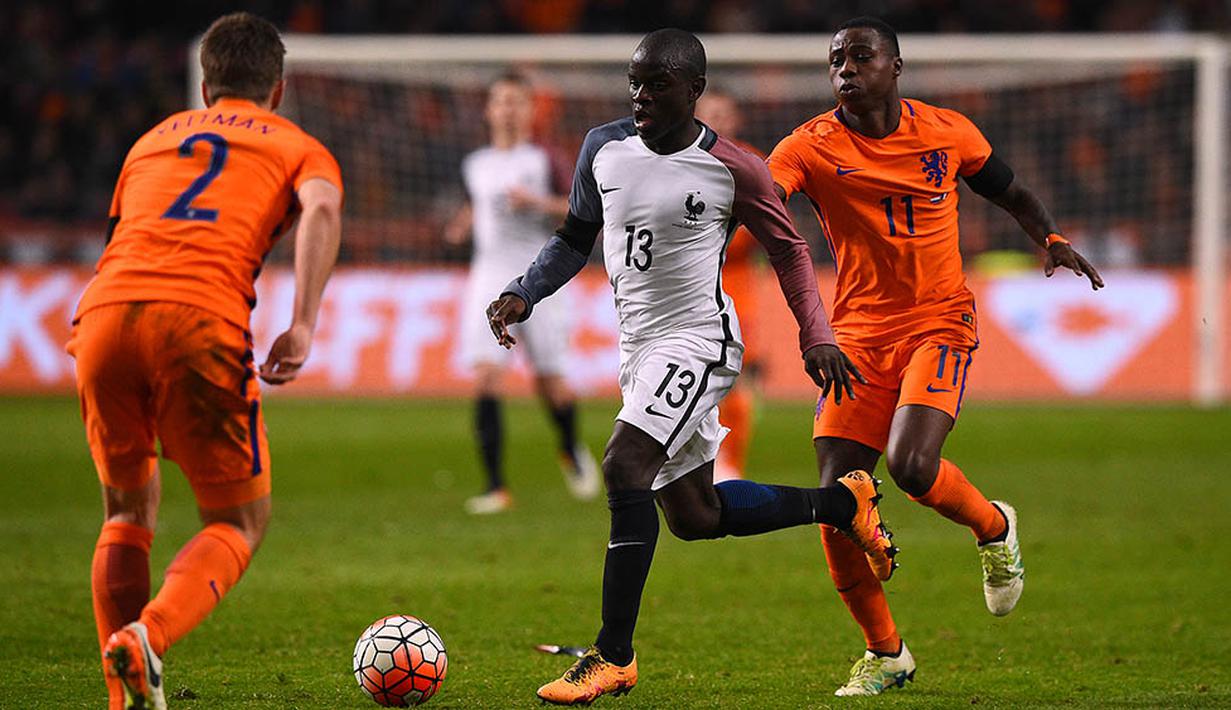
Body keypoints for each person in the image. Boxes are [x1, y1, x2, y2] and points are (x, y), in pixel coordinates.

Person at [486, 29, 896, 706]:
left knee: (623, 465)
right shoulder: (602, 147)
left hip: (698, 340)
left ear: (694, 90)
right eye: (634, 83)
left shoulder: (733, 166)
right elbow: (572, 240)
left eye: (657, 84)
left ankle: (612, 656)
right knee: (694, 515)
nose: (641, 97)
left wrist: (815, 333)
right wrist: (522, 290)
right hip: (638, 347)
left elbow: (790, 250)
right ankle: (841, 502)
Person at [766, 16, 1104, 696]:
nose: (845, 70)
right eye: (835, 61)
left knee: (911, 466)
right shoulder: (808, 145)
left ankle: (993, 525)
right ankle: (886, 654)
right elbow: (767, 196)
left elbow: (1008, 190)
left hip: (937, 322)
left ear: (895, 67)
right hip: (856, 335)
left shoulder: (947, 132)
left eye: (860, 57)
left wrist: (1051, 236)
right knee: (837, 502)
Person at [68, 13, 344, 709]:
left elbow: (121, 232)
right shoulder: (297, 145)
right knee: (238, 522)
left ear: (203, 82)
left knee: (127, 509)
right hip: (198, 319)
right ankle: (147, 637)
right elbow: (320, 211)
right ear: (277, 89)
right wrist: (303, 324)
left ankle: (121, 693)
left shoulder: (151, 140)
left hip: (102, 315)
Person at [447, 71, 600, 514]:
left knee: (550, 384)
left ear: (531, 111)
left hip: (540, 277)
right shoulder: (475, 163)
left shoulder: (544, 158)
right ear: (489, 110)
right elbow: (480, 202)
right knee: (486, 377)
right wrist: (464, 222)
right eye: (501, 102)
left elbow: (581, 208)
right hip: (488, 275)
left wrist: (536, 204)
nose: (508, 110)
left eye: (517, 102)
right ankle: (496, 486)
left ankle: (570, 447)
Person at [695, 88, 766, 481]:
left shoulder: (751, 163)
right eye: (710, 114)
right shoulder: (681, 162)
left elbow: (770, 228)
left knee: (732, 376)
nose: (718, 122)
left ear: (735, 120)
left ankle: (730, 464)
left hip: (736, 284)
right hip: (687, 286)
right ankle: (692, 458)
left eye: (724, 114)